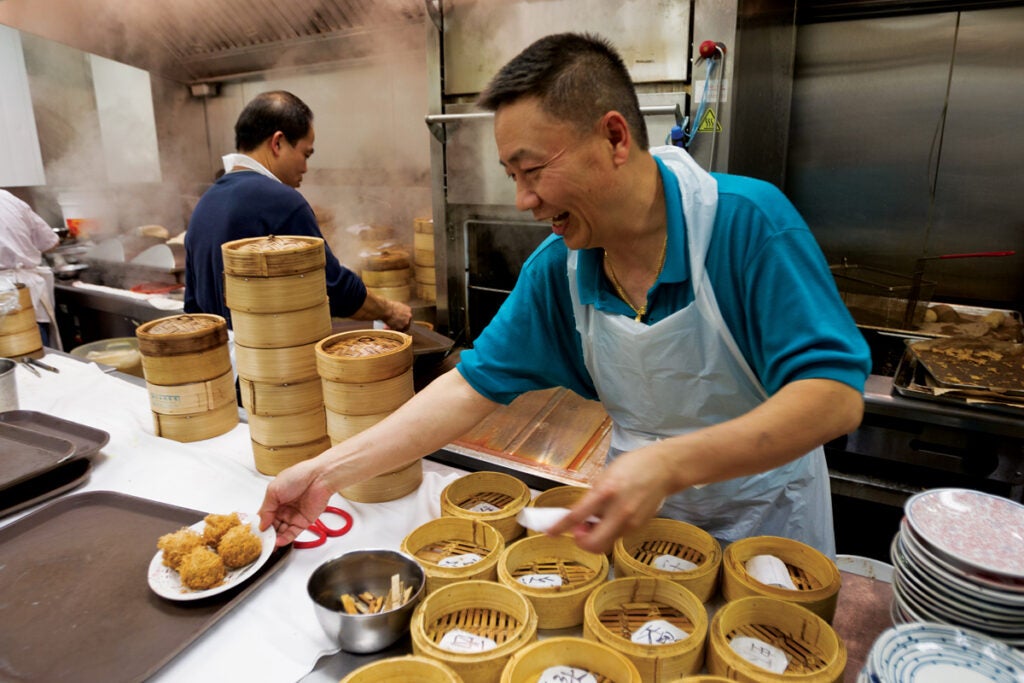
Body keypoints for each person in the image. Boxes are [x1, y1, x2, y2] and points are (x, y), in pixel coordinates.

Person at [258, 34, 870, 557]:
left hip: (768, 525)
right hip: (637, 531)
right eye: (512, 177)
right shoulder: (562, 269)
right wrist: (325, 472)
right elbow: (469, 388)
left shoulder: (744, 224)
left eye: (533, 170)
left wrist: (669, 464)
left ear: (614, 137)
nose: (524, 201)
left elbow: (833, 398)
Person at [184, 90, 412, 331]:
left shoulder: (206, 203)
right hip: (275, 360)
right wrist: (390, 310)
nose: (305, 168)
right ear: (278, 142)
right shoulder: (281, 201)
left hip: (221, 362)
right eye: (305, 154)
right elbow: (331, 286)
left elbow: (192, 307)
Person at [0, 189, 61, 348]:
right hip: (25, 292)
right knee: (36, 358)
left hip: (15, 296)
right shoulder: (7, 198)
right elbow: (50, 242)